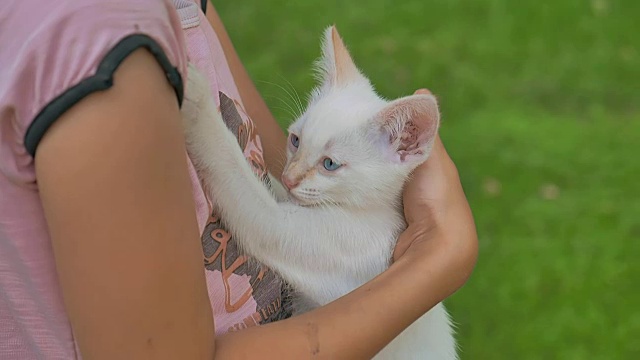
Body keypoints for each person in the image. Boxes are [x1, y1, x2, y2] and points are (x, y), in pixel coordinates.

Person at [0, 0, 478, 358]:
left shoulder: (365, 233)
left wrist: (201, 113)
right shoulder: (86, 38)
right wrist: (440, 254)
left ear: (406, 146)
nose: (292, 177)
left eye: (328, 165)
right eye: (296, 143)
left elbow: (264, 223)